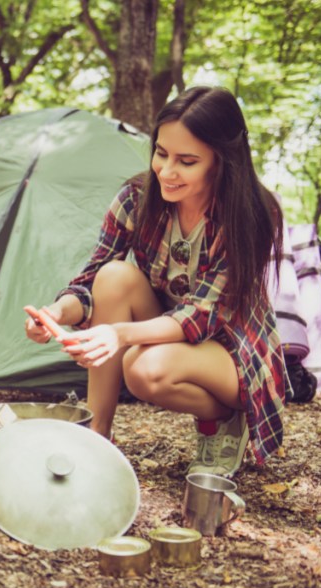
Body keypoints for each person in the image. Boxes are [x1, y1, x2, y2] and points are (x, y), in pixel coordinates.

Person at [25, 86, 286, 476]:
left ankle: (228, 418)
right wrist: (58, 312)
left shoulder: (249, 214)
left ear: (221, 161)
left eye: (187, 160)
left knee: (145, 369)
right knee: (114, 277)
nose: (166, 170)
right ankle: (98, 434)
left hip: (234, 350)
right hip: (167, 326)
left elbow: (202, 317)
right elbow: (94, 276)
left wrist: (118, 334)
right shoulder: (137, 197)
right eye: (161, 153)